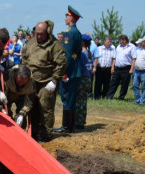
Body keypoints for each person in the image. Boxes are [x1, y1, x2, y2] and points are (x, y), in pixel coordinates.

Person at [22, 20, 66, 142]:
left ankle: (46, 135)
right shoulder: (31, 43)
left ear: (47, 32)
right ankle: (34, 133)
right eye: (37, 33)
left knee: (45, 108)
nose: (39, 36)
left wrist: (55, 80)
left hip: (47, 82)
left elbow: (61, 64)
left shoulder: (55, 45)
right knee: (32, 107)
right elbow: (24, 59)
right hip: (31, 81)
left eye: (41, 34)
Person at [55, 5, 82, 134]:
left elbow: (67, 54)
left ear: (71, 17)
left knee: (67, 97)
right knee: (70, 97)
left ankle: (67, 126)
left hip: (69, 70)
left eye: (66, 16)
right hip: (75, 68)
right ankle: (70, 126)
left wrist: (64, 71)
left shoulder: (69, 33)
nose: (65, 18)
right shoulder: (77, 32)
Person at [106, 34, 136, 100]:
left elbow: (134, 58)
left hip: (126, 68)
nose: (120, 41)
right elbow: (115, 57)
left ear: (125, 40)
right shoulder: (118, 47)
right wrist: (113, 67)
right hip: (117, 67)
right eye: (119, 40)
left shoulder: (131, 47)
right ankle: (109, 96)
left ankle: (121, 97)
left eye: (121, 40)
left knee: (124, 84)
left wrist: (131, 69)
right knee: (113, 82)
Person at [75, 35, 93, 130]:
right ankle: (82, 121)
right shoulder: (89, 53)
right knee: (83, 101)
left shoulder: (82, 54)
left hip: (82, 78)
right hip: (88, 79)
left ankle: (78, 122)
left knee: (78, 101)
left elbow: (80, 68)